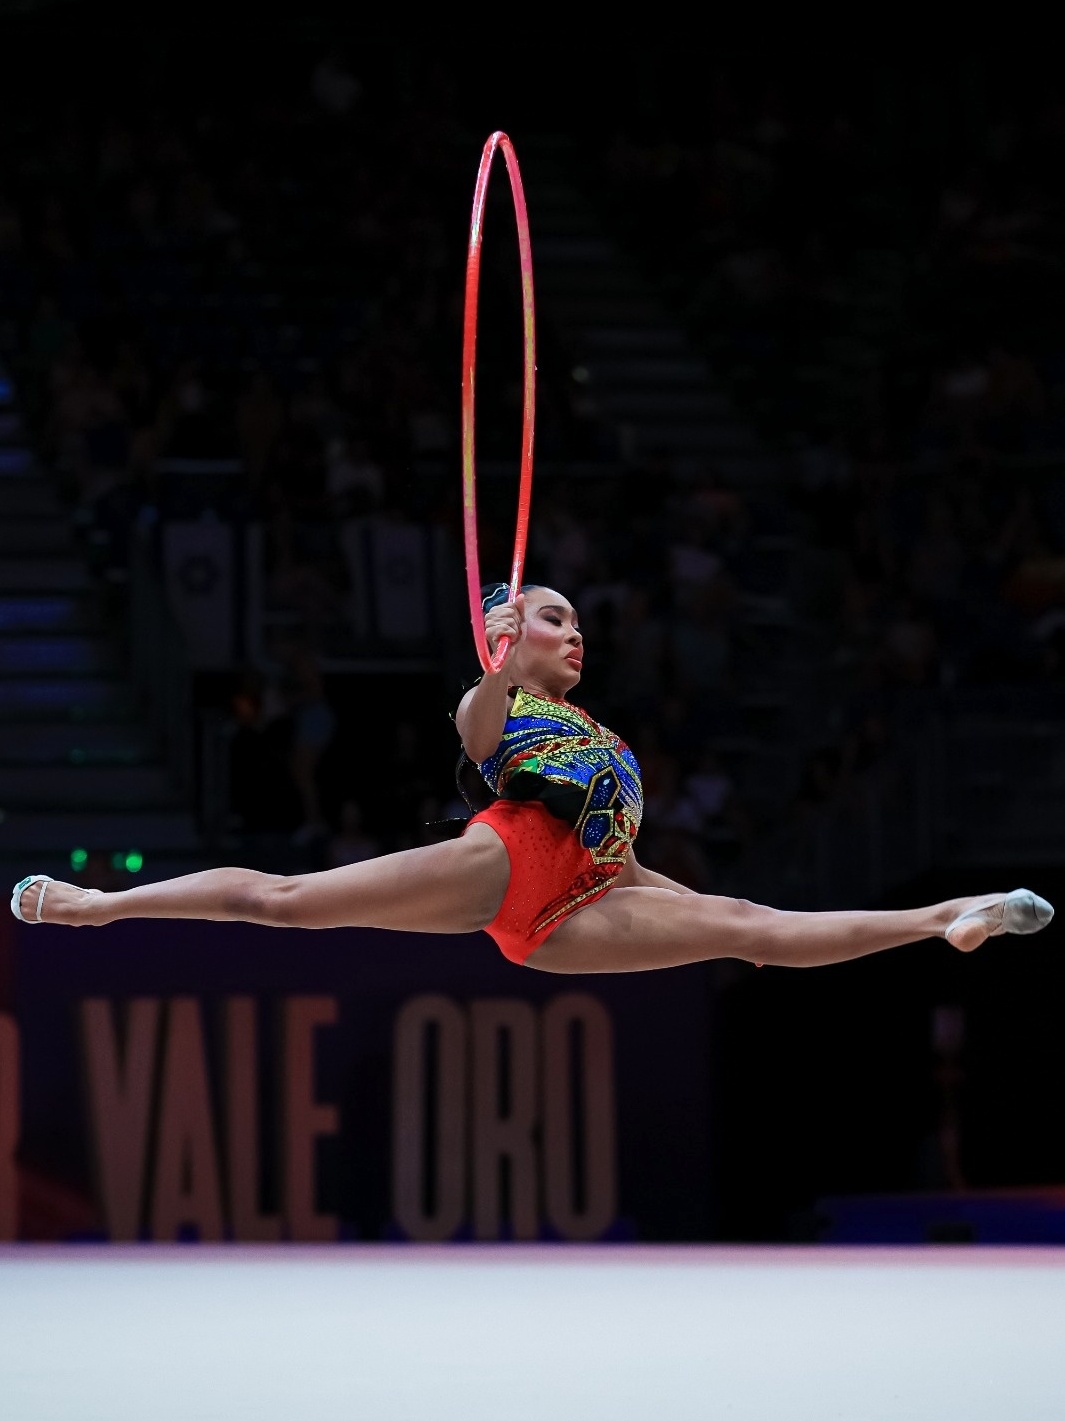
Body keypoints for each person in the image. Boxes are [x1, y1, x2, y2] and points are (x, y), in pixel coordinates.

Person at [10, 584, 1054, 972]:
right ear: (512, 635)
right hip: (506, 860)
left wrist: (696, 905)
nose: (576, 632)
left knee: (758, 930)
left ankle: (949, 917)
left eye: (578, 622)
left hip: (589, 898)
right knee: (278, 903)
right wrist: (495, 670)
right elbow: (472, 735)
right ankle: (104, 905)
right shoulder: (511, 704)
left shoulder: (601, 734)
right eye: (555, 617)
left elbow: (619, 850)